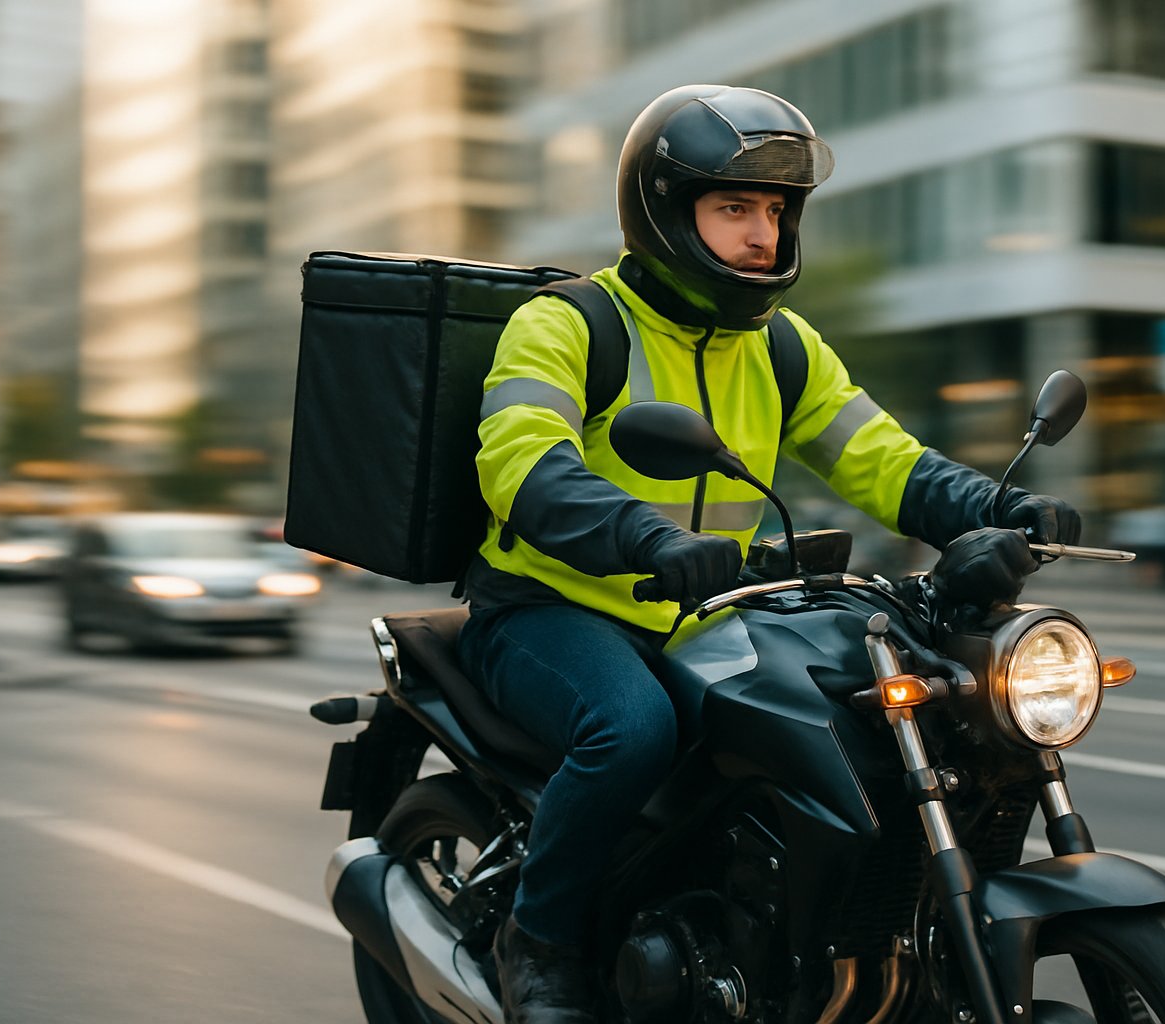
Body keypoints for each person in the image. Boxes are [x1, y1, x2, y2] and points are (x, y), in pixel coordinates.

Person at [457, 84, 1080, 1024]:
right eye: (735, 207)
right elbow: (522, 465)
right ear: (668, 213)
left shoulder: (781, 346)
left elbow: (884, 461)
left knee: (838, 723)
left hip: (709, 611)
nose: (763, 232)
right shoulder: (570, 324)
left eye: (776, 211)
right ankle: (538, 942)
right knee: (631, 731)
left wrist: (1004, 508)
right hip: (552, 609)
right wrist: (646, 536)